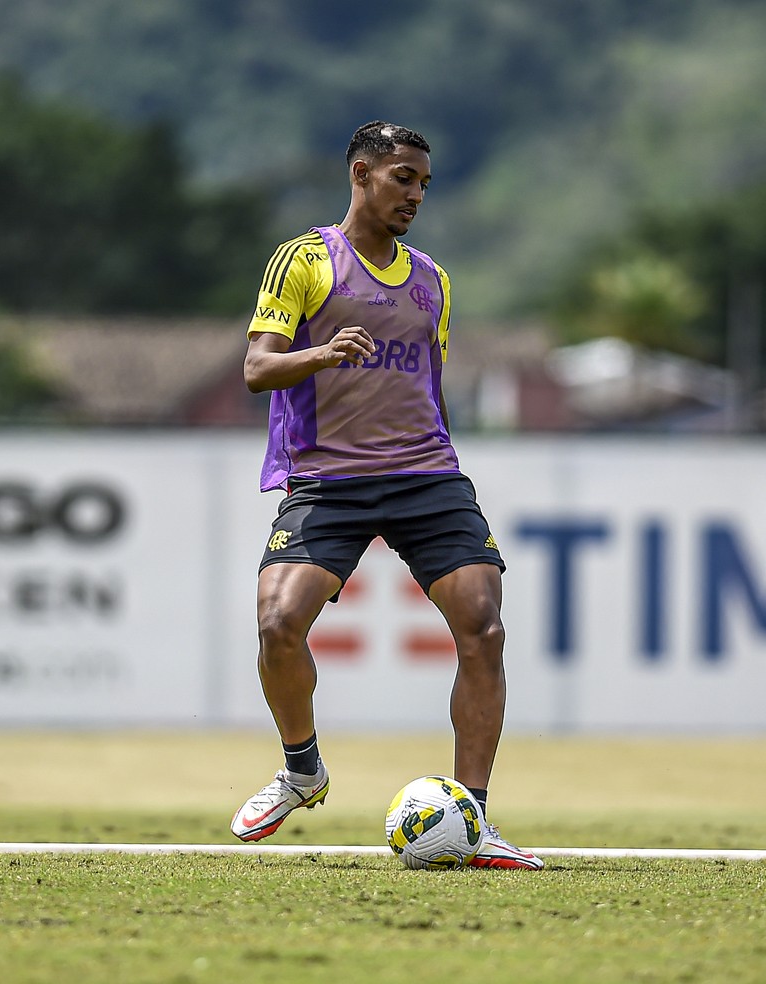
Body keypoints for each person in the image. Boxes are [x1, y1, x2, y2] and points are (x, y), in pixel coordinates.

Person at [230, 120, 542, 870]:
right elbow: (256, 369)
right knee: (277, 624)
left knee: (484, 629)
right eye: (404, 177)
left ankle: (471, 818)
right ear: (361, 174)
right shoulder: (305, 261)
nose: (415, 195)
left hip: (426, 477)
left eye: (424, 184)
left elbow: (422, 392)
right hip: (329, 482)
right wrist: (323, 350)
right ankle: (303, 769)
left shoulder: (432, 279)